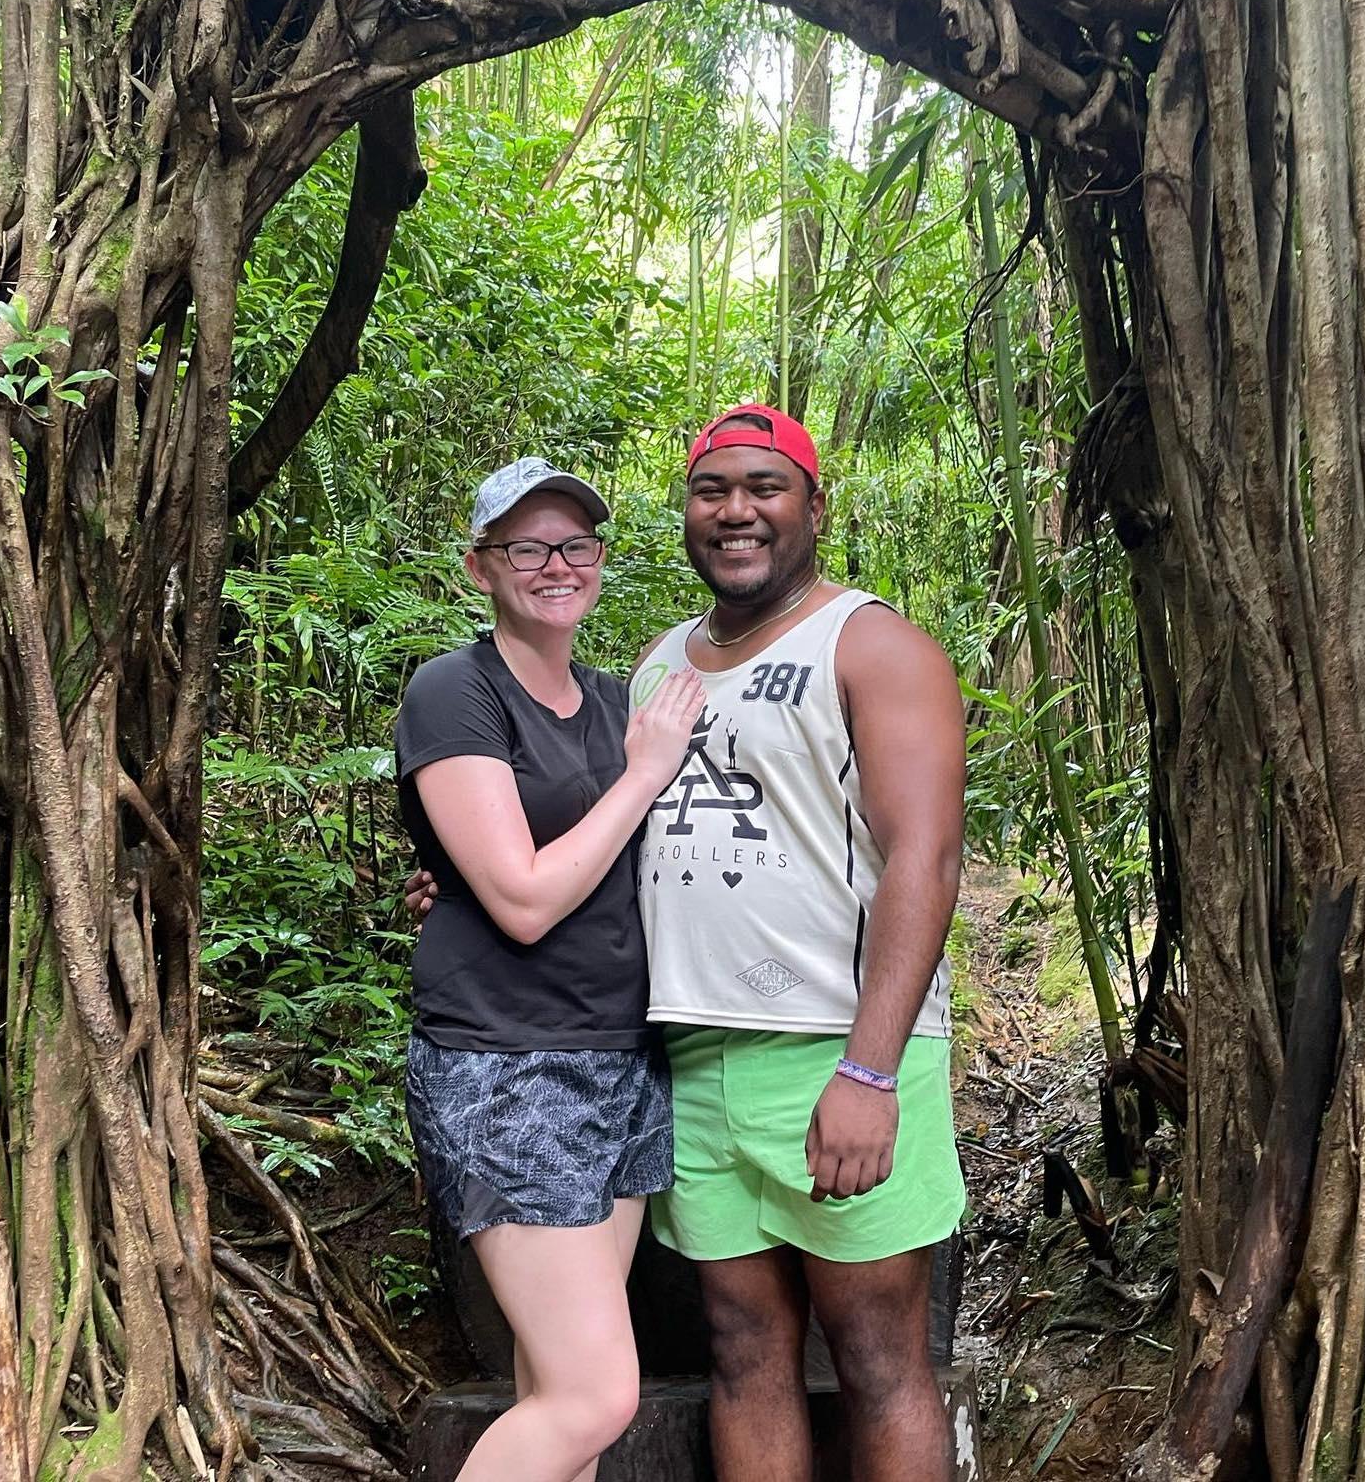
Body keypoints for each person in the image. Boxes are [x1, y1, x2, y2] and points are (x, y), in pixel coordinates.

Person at [411, 409, 969, 1482]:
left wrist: (871, 1067)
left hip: (832, 1047)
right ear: (685, 513)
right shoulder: (664, 663)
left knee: (878, 1357)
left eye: (766, 486)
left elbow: (927, 861)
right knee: (743, 1355)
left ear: (815, 504)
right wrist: (465, 874)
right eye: (713, 490)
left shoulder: (871, 642)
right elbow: (608, 826)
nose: (737, 511)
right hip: (688, 1061)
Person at [395, 455, 705, 1482]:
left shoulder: (620, 701)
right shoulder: (454, 691)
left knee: (552, 1387)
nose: (555, 564)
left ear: (601, 563)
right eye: (526, 546)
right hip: (507, 1066)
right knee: (595, 1395)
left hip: (620, 1059)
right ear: (481, 568)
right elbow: (524, 899)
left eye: (575, 545)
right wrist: (645, 773)